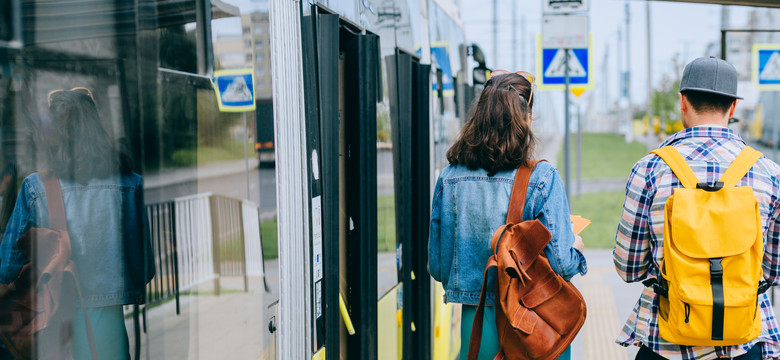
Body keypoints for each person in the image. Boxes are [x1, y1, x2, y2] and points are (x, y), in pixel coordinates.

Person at [614, 57, 780, 360]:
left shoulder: (650, 169)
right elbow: (773, 270)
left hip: (666, 341)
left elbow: (628, 268)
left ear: (682, 102)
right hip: (743, 342)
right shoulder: (768, 172)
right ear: (732, 108)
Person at [427, 70, 587, 360]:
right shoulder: (543, 177)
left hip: (475, 327)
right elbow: (562, 263)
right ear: (525, 120)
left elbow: (438, 266)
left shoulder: (450, 177)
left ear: (479, 116)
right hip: (533, 328)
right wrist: (576, 247)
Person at [0, 88, 155, 359]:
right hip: (109, 328)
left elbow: (5, 268)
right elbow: (143, 271)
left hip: (54, 324)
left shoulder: (36, 188)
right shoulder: (129, 184)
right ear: (98, 129)